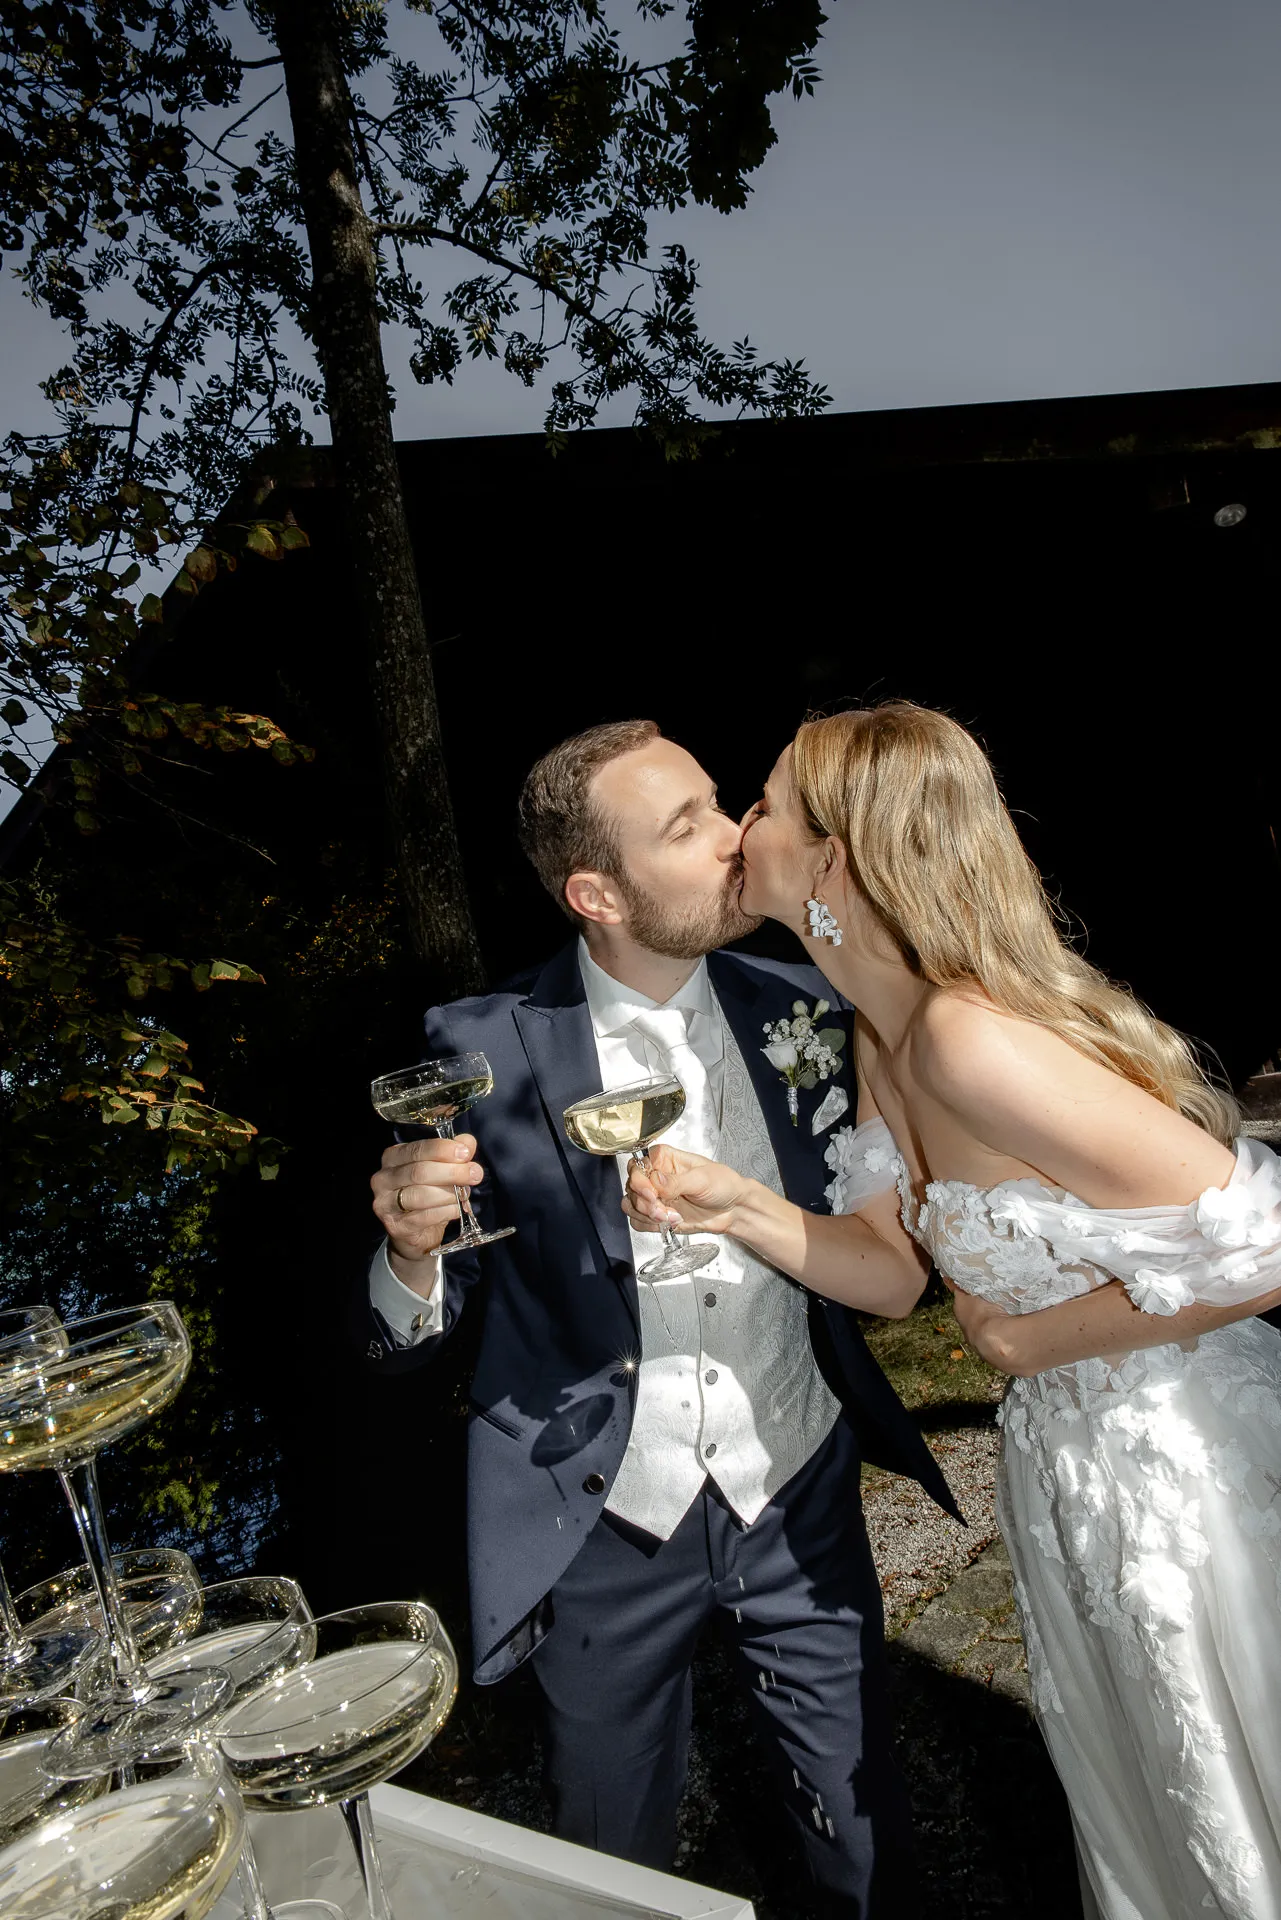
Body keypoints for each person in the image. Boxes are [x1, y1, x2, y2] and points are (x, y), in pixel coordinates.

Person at [625, 701, 1281, 1920]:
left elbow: (1267, 1242)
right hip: (1067, 1473)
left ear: (829, 859)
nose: (737, 827)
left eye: (761, 803)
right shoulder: (881, 1039)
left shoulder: (969, 1041)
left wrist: (1023, 1340)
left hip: (1183, 1467)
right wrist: (738, 1206)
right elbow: (891, 1272)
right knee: (1150, 1789)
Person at [360, 718, 958, 1916]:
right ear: (598, 893)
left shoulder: (811, 1005)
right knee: (609, 1855)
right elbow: (414, 1325)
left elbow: (889, 1252)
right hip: (602, 1524)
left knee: (861, 1827)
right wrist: (410, 1250)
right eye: (687, 827)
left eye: (721, 802)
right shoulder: (481, 1047)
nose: (736, 836)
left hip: (794, 1487)